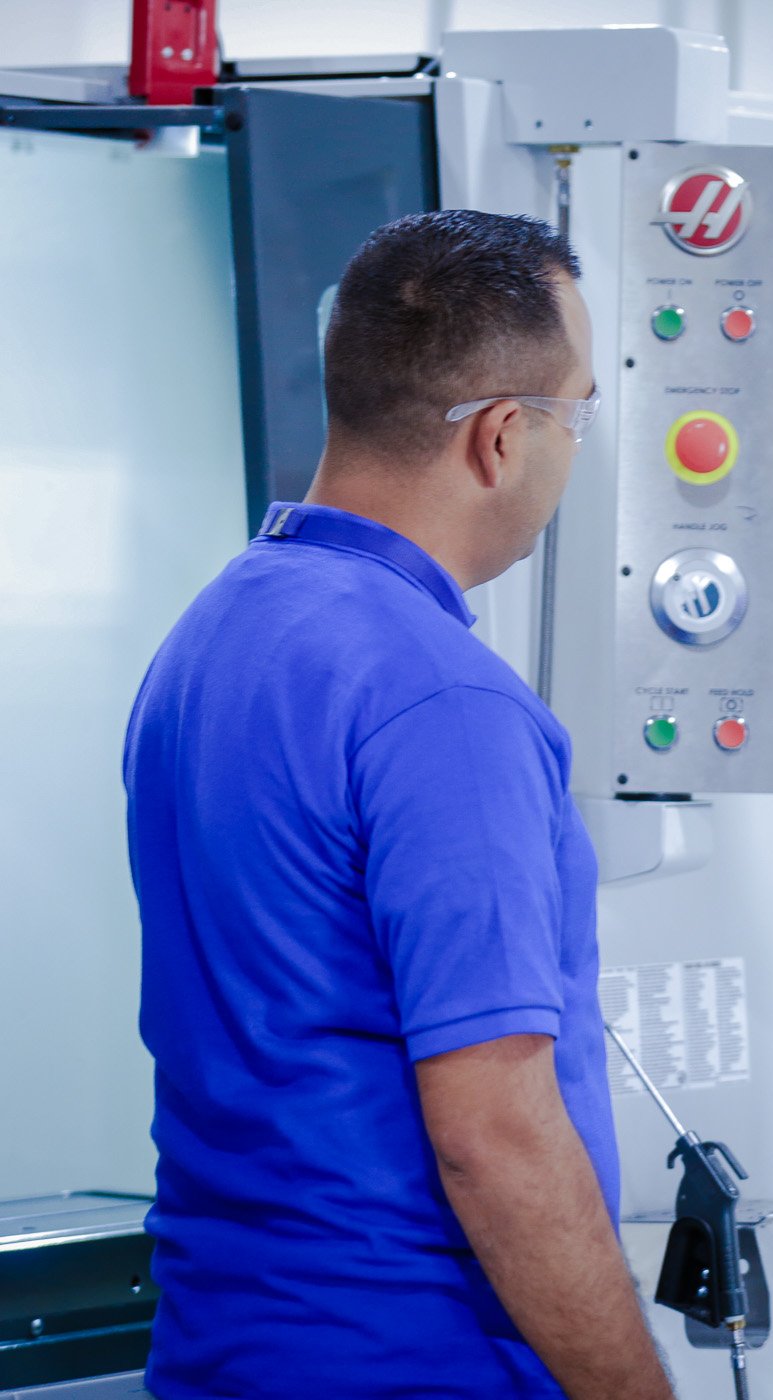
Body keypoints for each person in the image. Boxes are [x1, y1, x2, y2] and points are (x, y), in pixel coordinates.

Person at [124, 211, 674, 1398]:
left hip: (224, 1350)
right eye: (576, 415)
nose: (574, 451)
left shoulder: (213, 635)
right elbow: (497, 1133)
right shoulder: (444, 702)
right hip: (421, 1360)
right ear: (500, 436)